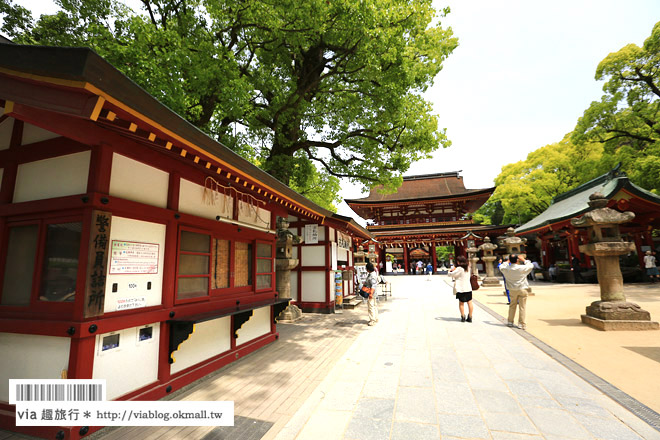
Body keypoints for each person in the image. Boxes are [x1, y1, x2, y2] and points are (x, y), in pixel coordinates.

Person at [499, 254, 534, 330]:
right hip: (522, 289)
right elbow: (530, 265)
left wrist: (507, 261)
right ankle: (521, 324)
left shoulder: (506, 269)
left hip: (512, 289)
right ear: (517, 260)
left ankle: (510, 321)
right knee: (522, 307)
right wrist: (524, 260)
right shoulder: (522, 268)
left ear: (510, 261)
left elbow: (501, 266)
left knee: (512, 305)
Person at [450, 255, 473, 322]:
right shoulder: (468, 268)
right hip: (468, 287)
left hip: (461, 288)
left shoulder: (459, 268)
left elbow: (451, 274)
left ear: (458, 262)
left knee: (461, 303)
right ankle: (470, 317)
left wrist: (450, 271)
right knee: (470, 302)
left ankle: (463, 316)